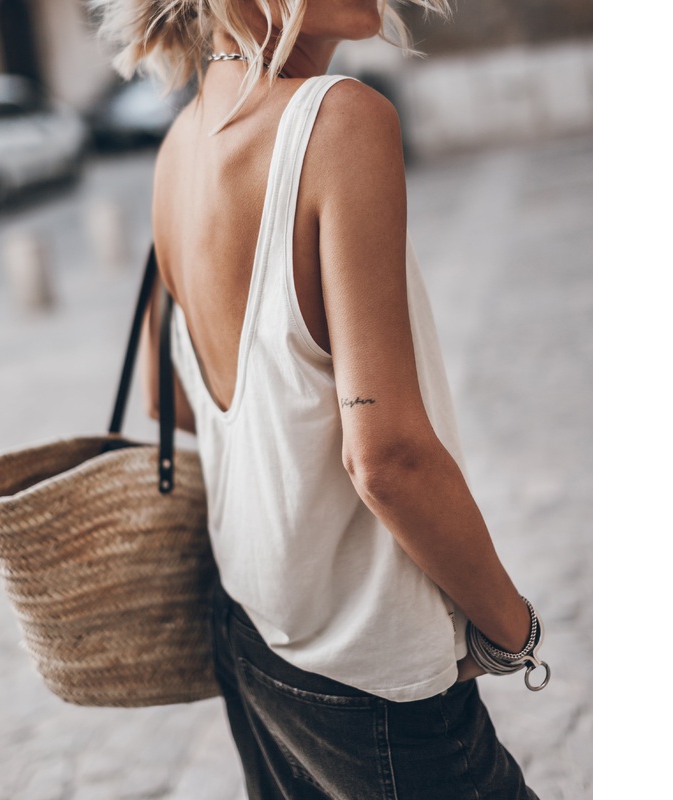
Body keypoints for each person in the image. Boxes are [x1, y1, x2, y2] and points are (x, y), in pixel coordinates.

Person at [94, 0, 548, 796]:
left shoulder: (177, 150)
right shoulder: (340, 121)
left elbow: (169, 403)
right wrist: (512, 629)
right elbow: (387, 458)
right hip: (362, 658)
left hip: (251, 630)